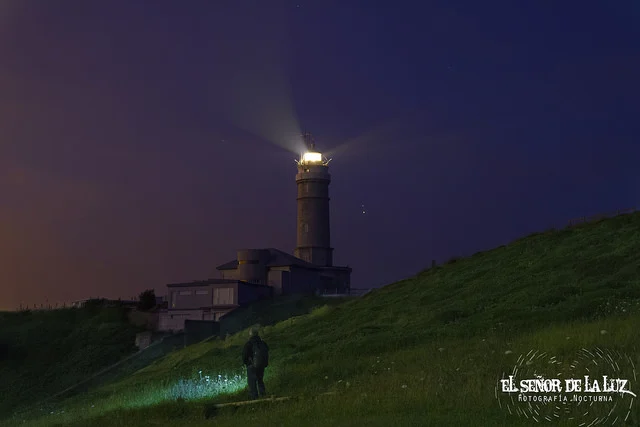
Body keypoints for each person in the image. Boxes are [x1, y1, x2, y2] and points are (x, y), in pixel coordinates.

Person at [242, 326, 269, 400]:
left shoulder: (248, 344)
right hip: (261, 365)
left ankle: (254, 398)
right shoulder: (263, 343)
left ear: (250, 334)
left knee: (252, 383)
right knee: (260, 380)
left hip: (251, 365)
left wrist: (247, 363)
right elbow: (266, 353)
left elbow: (244, 356)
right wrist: (265, 364)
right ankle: (263, 395)